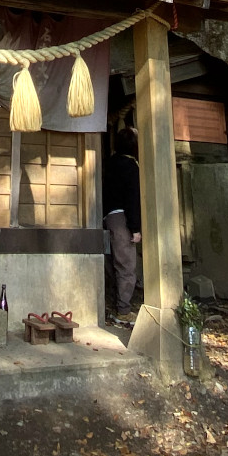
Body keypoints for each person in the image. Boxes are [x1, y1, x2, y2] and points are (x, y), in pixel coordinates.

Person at [103, 126, 142, 324]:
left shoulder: (109, 162)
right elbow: (132, 198)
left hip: (106, 217)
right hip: (122, 219)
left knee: (111, 264)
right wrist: (135, 228)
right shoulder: (130, 166)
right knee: (126, 265)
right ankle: (123, 310)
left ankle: (113, 303)